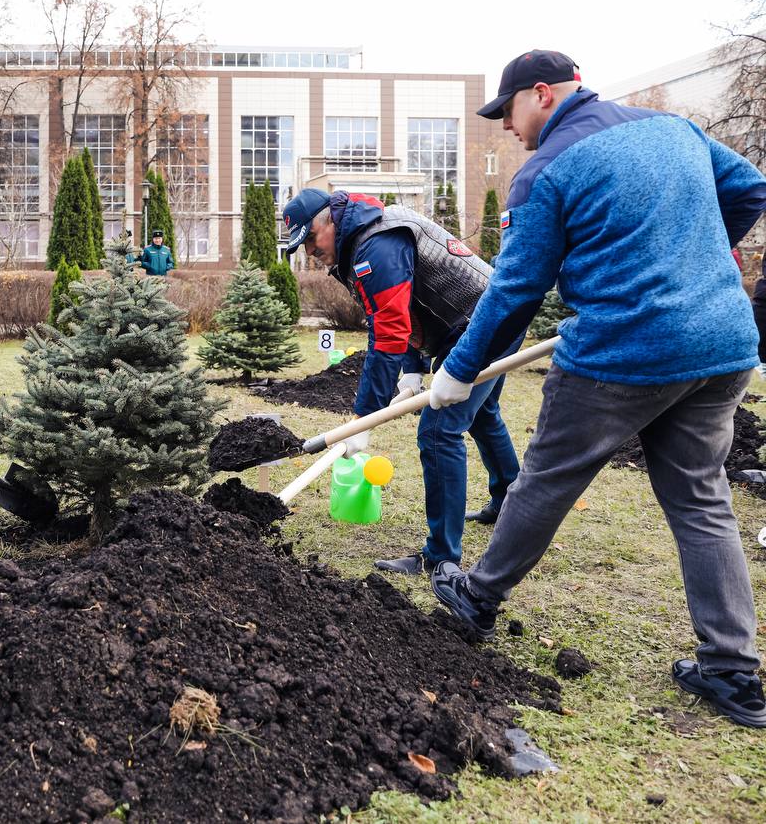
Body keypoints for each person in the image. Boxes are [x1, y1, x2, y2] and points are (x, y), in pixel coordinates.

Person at [428, 50, 766, 728]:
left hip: (624, 348)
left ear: (543, 95)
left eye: (509, 113)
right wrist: (693, 264)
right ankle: (733, 671)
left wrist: (459, 367)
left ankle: (477, 596)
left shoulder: (546, 172)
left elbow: (516, 289)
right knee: (701, 496)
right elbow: (752, 189)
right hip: (723, 341)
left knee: (548, 474)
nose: (508, 129)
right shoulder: (672, 129)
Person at [281, 187, 521, 575]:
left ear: (329, 219)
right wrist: (411, 370)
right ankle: (511, 503)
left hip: (485, 322)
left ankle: (441, 557)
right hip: (477, 321)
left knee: (439, 431)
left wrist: (364, 417)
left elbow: (389, 328)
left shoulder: (375, 244)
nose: (309, 251)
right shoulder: (364, 237)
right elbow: (404, 308)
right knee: (481, 414)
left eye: (310, 238)